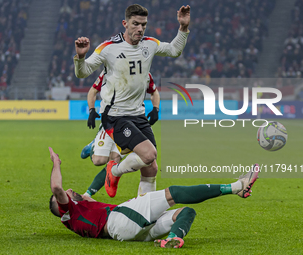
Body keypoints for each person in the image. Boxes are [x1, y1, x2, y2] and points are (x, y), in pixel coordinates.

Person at [74, 4, 190, 197]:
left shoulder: (149, 44)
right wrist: (80, 57)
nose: (140, 29)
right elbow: (82, 72)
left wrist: (183, 27)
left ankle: (144, 210)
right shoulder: (108, 48)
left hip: (138, 115)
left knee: (151, 167)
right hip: (116, 116)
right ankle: (114, 171)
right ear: (125, 23)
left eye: (143, 25)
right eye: (135, 24)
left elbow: (174, 50)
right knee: (148, 154)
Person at [48, 147, 260, 248]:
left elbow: (101, 178)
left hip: (128, 232)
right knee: (173, 193)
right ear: (62, 204)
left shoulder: (81, 211)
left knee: (185, 213)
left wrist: (116, 160)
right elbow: (57, 188)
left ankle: (173, 238)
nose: (68, 191)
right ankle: (238, 186)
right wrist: (56, 163)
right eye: (65, 194)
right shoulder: (69, 213)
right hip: (120, 219)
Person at [81, 70, 160, 197]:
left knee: (121, 159)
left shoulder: (144, 71)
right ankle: (93, 146)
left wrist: (156, 108)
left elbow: (154, 91)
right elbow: (93, 90)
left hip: (134, 122)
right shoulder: (111, 69)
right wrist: (91, 110)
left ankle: (88, 193)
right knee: (99, 160)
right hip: (112, 121)